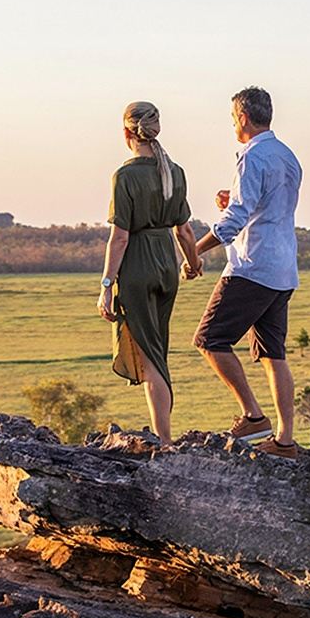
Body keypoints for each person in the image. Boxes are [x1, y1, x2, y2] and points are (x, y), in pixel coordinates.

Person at [193, 86, 303, 459]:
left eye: (232, 118)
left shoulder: (252, 157)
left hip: (252, 266)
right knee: (273, 353)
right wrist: (233, 201)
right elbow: (265, 206)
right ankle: (284, 442)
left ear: (242, 117)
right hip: (284, 267)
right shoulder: (288, 157)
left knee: (210, 339)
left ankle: (253, 416)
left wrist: (195, 249)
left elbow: (238, 217)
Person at [98, 101, 203, 447]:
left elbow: (121, 237)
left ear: (126, 133)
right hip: (166, 264)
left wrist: (106, 284)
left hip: (138, 264)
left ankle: (164, 439)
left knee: (151, 355)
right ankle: (163, 433)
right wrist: (193, 263)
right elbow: (185, 231)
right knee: (158, 348)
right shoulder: (175, 171)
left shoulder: (125, 176)